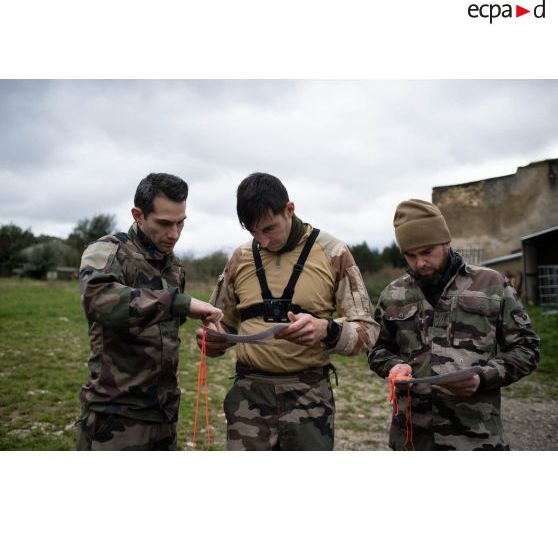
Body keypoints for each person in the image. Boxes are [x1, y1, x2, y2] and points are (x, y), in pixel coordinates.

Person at [197, 172, 379, 450]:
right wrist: (211, 339)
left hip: (309, 400)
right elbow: (220, 322)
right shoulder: (240, 258)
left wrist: (327, 330)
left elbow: (368, 330)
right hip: (249, 398)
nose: (263, 241)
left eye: (269, 228)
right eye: (253, 232)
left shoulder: (333, 253)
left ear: (289, 210)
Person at [368, 199, 540, 450]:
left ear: (446, 242)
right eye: (410, 255)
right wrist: (394, 366)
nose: (419, 263)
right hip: (413, 438)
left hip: (475, 437)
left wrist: (484, 376)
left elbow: (527, 348)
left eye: (427, 252)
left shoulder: (492, 285)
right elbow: (377, 350)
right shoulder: (393, 294)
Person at [76, 173, 223, 450]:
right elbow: (98, 299)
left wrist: (208, 336)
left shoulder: (174, 267)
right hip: (115, 415)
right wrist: (181, 303)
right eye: (164, 223)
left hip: (163, 414)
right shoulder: (108, 251)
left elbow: (165, 333)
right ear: (138, 215)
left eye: (181, 223)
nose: (174, 234)